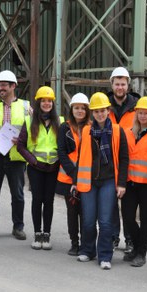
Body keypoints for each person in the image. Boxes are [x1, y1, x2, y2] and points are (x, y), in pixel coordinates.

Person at [74, 92, 129, 270]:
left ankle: (105, 255)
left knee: (105, 221)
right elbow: (80, 157)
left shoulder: (118, 131)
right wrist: (76, 181)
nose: (99, 114)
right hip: (89, 181)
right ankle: (87, 250)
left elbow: (124, 158)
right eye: (96, 111)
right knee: (89, 219)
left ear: (108, 111)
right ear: (92, 113)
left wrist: (121, 183)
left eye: (103, 110)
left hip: (108, 181)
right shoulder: (86, 131)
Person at [0, 70, 31, 241]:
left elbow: (33, 132)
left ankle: (18, 227)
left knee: (18, 195)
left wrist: (22, 140)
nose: (0, 88)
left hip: (16, 157)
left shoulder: (26, 107)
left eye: (4, 85)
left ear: (13, 86)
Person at [17, 86, 62, 250]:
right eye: (43, 100)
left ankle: (47, 234)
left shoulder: (60, 122)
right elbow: (20, 146)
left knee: (48, 201)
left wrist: (59, 162)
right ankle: (37, 233)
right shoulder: (29, 121)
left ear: (53, 103)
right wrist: (33, 161)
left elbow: (64, 146)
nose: (46, 103)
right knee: (37, 200)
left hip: (53, 168)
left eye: (49, 101)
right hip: (36, 168)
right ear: (38, 102)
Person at [121, 96, 147, 267]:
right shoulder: (128, 133)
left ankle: (141, 252)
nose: (143, 116)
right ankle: (136, 247)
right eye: (140, 113)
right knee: (128, 217)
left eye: (146, 113)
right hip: (130, 183)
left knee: (146, 219)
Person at [108, 67, 139, 253]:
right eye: (117, 84)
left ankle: (129, 239)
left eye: (123, 84)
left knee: (128, 207)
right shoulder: (104, 105)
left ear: (128, 85)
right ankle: (113, 238)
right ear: (112, 85)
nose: (120, 87)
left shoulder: (137, 107)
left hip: (130, 162)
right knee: (110, 205)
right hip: (109, 162)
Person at [56, 93, 91, 256]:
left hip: (86, 178)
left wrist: (80, 175)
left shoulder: (91, 127)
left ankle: (85, 243)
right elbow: (61, 152)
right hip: (68, 178)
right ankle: (74, 243)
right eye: (76, 108)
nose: (79, 111)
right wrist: (73, 173)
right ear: (72, 109)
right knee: (72, 211)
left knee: (85, 211)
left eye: (83, 108)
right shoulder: (65, 127)